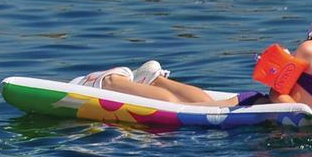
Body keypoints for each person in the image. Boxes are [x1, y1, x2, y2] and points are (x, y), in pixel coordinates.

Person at [69, 59, 238, 106]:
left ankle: (154, 80)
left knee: (204, 103)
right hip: (94, 83)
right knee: (170, 103)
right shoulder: (252, 100)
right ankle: (112, 82)